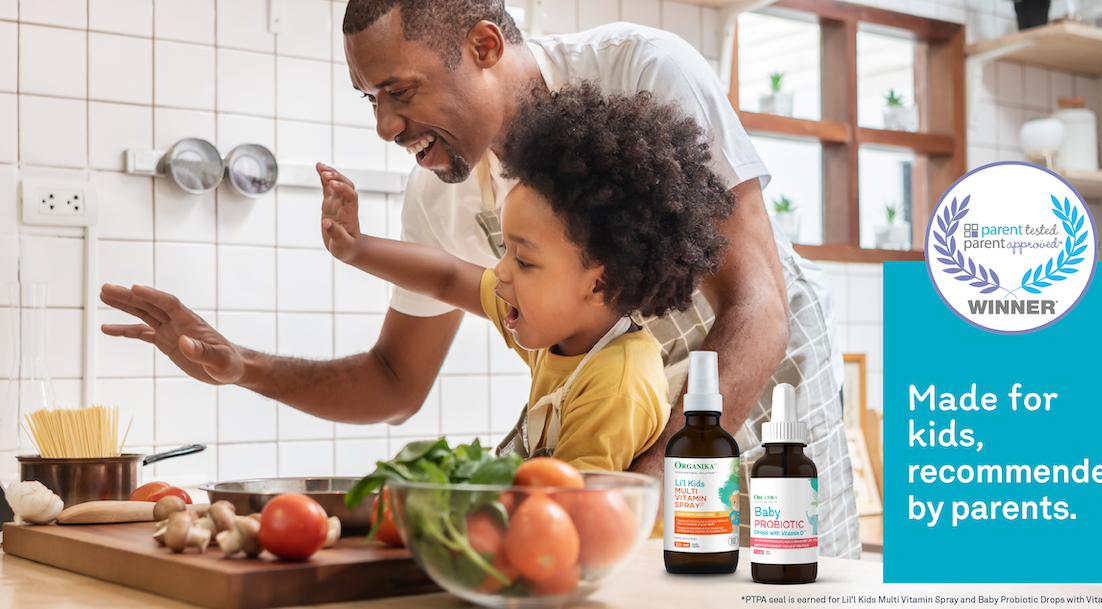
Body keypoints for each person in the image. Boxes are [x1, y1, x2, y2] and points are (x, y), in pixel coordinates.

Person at [100, 0, 860, 558]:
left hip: (758, 381)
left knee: (786, 576)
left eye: (400, 91)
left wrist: (652, 488)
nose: (385, 127)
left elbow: (757, 303)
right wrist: (240, 366)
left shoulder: (641, 71)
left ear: (485, 44)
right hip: (617, 445)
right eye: (371, 100)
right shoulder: (439, 189)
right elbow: (396, 377)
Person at [322, 82, 735, 471]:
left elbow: (572, 516)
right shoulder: (563, 332)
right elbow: (447, 278)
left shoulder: (616, 385)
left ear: (600, 285)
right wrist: (358, 248)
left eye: (524, 260)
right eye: (505, 250)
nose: (500, 269)